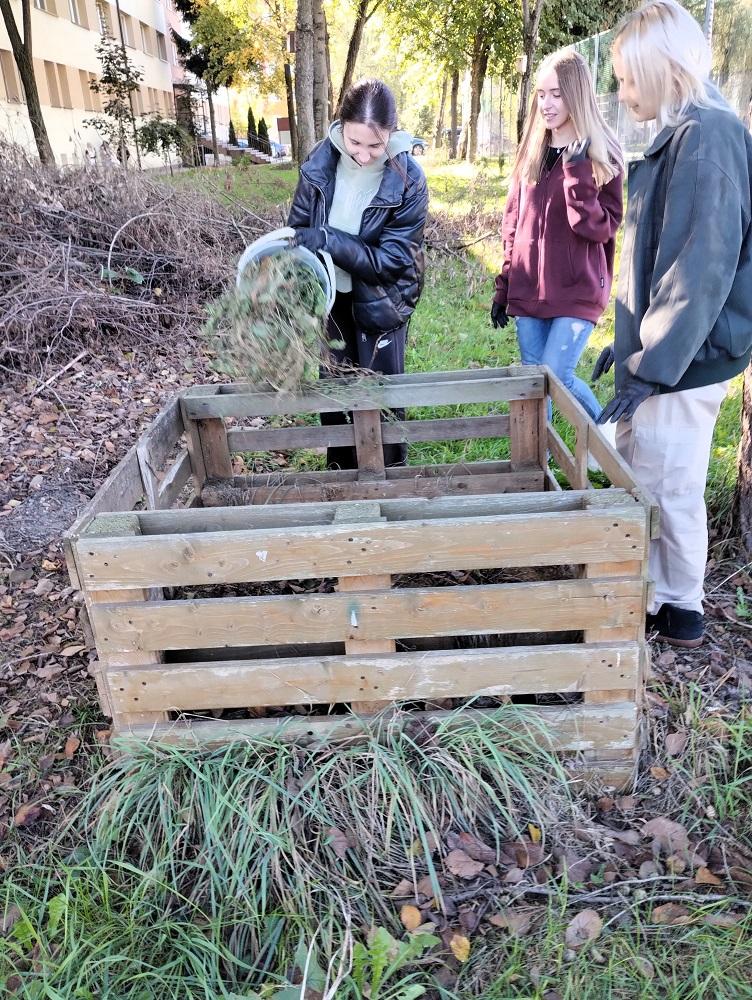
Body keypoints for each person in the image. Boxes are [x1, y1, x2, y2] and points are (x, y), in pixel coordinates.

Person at [593, 0, 752, 648]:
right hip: (664, 354)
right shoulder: (685, 129)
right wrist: (626, 341)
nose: (621, 90)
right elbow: (657, 256)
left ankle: (680, 609)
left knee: (670, 482)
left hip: (687, 361)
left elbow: (700, 270)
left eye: (628, 78)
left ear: (661, 70)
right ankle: (656, 596)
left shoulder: (708, 134)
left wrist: (652, 367)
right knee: (643, 470)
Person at [287, 79, 429, 468]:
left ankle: (389, 474)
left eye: (375, 145)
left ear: (392, 134)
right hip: (330, 299)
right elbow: (299, 230)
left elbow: (390, 262)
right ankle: (341, 472)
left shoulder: (408, 179)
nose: (364, 155)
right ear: (341, 126)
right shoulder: (319, 163)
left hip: (382, 301)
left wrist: (330, 240)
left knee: (379, 393)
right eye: (355, 143)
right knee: (335, 388)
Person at [491, 49, 624, 422]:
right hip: (529, 287)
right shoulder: (532, 150)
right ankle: (540, 470)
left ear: (576, 94)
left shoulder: (602, 153)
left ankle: (606, 445)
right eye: (541, 94)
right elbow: (513, 224)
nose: (546, 104)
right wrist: (505, 284)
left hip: (577, 289)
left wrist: (577, 173)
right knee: (535, 383)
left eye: (556, 94)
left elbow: (600, 228)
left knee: (556, 376)